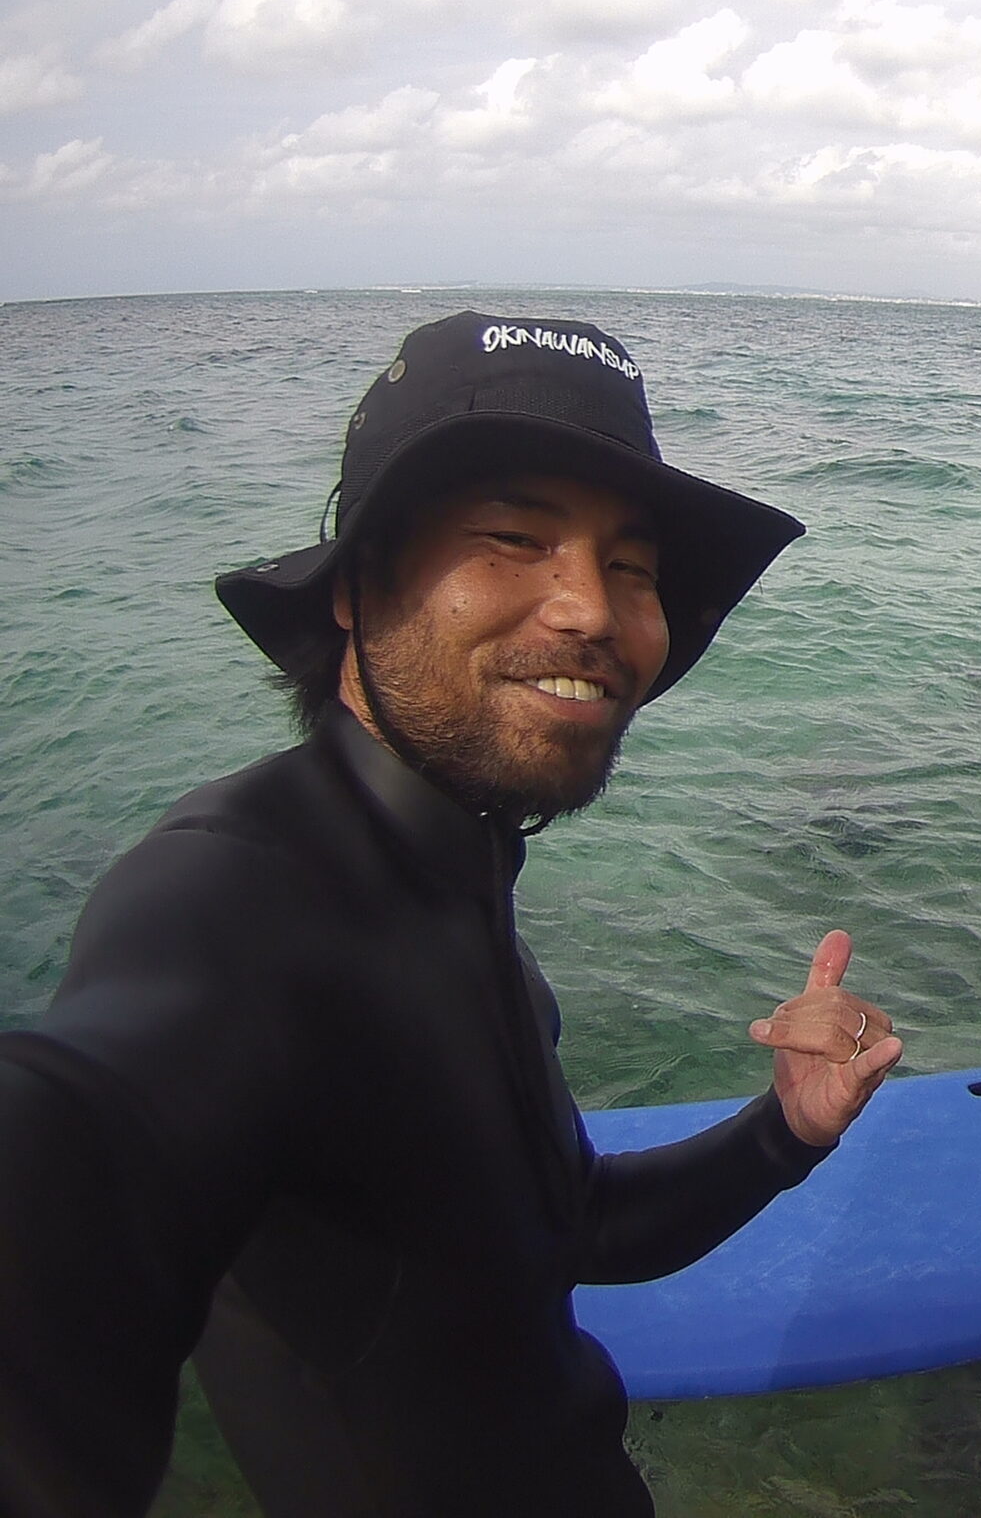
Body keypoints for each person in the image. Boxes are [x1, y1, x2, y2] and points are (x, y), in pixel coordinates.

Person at [0, 311, 903, 1517]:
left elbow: (569, 1230)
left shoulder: (457, 889)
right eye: (513, 538)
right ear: (354, 588)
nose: (590, 609)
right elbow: (79, 1152)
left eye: (631, 567)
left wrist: (783, 1132)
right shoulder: (231, 896)